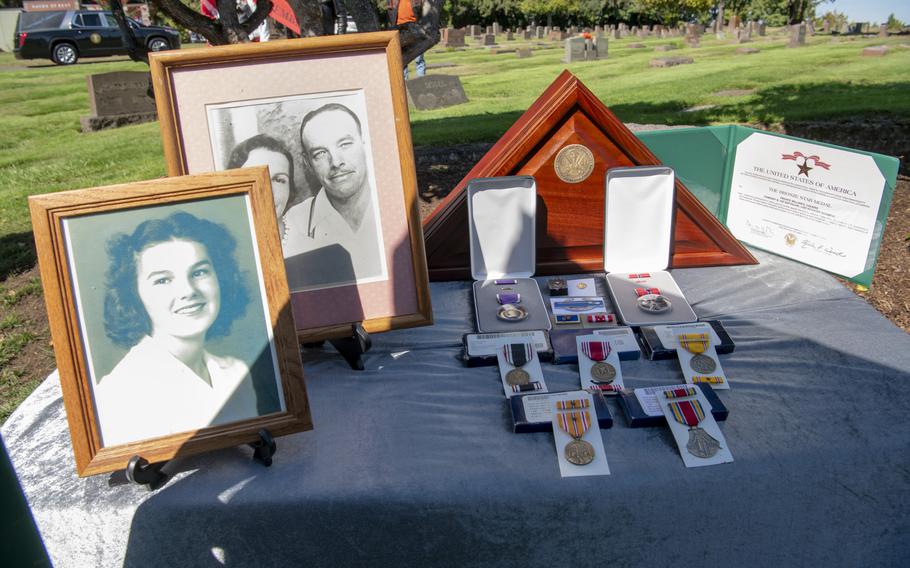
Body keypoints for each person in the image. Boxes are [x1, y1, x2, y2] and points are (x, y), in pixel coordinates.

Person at [93, 212, 260, 446]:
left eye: (199, 272)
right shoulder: (118, 395)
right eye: (163, 280)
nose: (188, 291)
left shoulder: (235, 372)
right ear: (134, 294)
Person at [282, 103, 384, 289]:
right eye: (320, 153)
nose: (336, 162)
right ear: (308, 163)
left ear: (365, 143)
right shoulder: (295, 222)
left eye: (345, 144)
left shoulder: (393, 203)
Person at [227, 134, 297, 246]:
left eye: (279, 180)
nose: (268, 192)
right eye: (255, 178)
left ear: (290, 189)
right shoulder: (222, 248)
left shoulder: (310, 245)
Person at [390, 0, 425, 79]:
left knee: (419, 58)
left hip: (414, 27)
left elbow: (423, 12)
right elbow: (390, 14)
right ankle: (405, 85)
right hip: (400, 29)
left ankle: (421, 82)